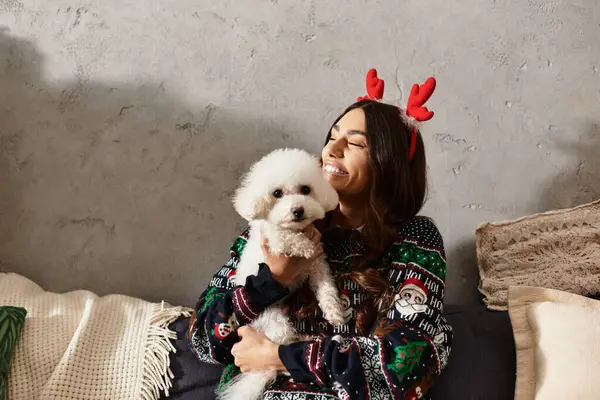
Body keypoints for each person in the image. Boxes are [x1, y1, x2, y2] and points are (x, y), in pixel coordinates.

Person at [188, 69, 453, 400]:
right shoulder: (276, 223)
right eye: (332, 136)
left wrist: (278, 357)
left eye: (355, 143)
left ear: (389, 163)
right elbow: (203, 339)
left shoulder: (415, 238)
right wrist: (272, 280)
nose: (332, 149)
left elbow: (405, 365)